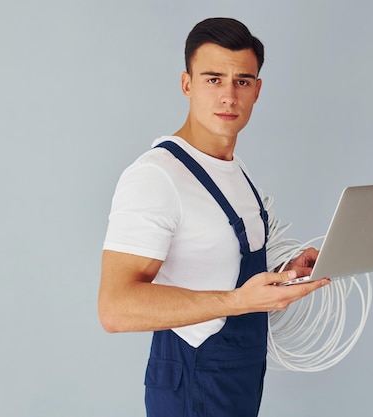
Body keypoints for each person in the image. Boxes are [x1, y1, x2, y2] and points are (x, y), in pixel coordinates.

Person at [98, 17, 329, 417]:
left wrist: (284, 273)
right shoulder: (157, 176)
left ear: (257, 91)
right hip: (193, 383)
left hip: (240, 379)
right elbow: (114, 308)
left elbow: (218, 266)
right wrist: (239, 301)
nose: (228, 96)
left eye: (242, 81)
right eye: (213, 79)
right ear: (187, 84)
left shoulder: (237, 170)